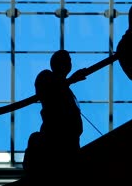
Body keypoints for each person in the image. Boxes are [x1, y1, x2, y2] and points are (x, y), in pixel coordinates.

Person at [22, 50, 86, 186]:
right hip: (58, 139)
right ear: (55, 63)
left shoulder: (64, 87)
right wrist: (70, 80)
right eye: (65, 60)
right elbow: (49, 89)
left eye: (69, 60)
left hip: (70, 140)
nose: (69, 63)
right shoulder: (46, 77)